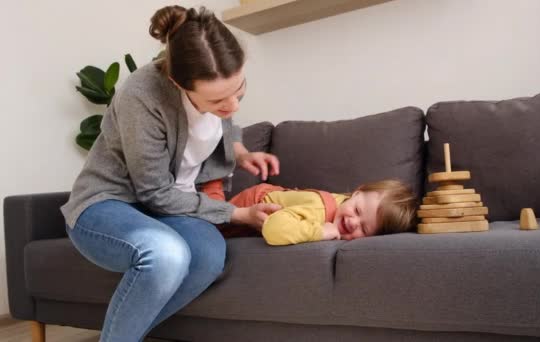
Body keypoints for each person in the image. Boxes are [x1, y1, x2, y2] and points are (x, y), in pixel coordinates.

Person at [60, 6, 280, 342]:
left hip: (167, 210)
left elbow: (223, 125)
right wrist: (238, 214)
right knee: (166, 255)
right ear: (178, 83)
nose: (233, 105)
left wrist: (242, 153)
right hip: (108, 205)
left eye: (239, 90)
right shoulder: (142, 95)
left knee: (208, 258)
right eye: (219, 99)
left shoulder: (214, 84)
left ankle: (119, 336)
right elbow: (154, 192)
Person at [224, 179, 418, 245]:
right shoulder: (319, 209)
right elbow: (273, 229)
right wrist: (320, 232)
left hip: (278, 202)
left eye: (364, 229)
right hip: (252, 203)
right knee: (213, 225)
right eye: (357, 210)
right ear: (357, 192)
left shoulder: (345, 205)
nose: (352, 222)